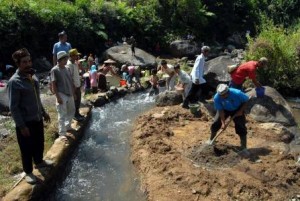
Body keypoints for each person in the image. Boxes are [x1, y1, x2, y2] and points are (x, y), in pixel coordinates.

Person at [8, 48, 53, 184]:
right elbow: (13, 107)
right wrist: (21, 126)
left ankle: (39, 161)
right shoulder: (14, 82)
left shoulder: (32, 76)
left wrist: (43, 112)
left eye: (29, 61)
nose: (28, 64)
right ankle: (28, 172)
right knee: (26, 149)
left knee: (39, 142)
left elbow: (37, 98)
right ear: (18, 63)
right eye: (24, 62)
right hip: (25, 122)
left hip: (37, 117)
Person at [209, 84, 249, 151]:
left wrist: (240, 111)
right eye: (221, 95)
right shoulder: (217, 98)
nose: (223, 97)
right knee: (216, 123)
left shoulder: (237, 93)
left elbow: (246, 101)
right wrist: (223, 123)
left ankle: (243, 146)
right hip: (225, 109)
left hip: (238, 109)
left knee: (240, 126)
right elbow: (220, 110)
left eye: (224, 95)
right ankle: (211, 140)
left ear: (228, 92)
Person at [50, 51, 75, 140]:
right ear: (60, 60)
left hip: (69, 92)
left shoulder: (67, 68)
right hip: (61, 93)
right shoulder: (54, 70)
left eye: (66, 59)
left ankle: (68, 126)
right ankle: (62, 133)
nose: (66, 60)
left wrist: (73, 92)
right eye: (65, 59)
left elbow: (70, 80)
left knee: (72, 110)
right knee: (62, 113)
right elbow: (53, 84)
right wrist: (57, 97)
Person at [66, 49, 84, 122]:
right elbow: (69, 78)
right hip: (74, 87)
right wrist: (73, 90)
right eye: (76, 55)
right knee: (75, 101)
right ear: (71, 56)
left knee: (78, 101)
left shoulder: (75, 63)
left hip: (77, 85)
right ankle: (75, 115)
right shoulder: (69, 64)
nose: (77, 56)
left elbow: (76, 74)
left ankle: (77, 113)